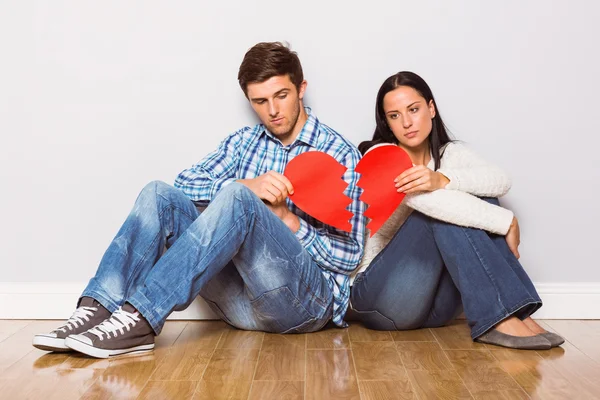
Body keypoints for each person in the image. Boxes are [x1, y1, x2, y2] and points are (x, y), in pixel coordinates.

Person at [33, 42, 366, 358]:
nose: (273, 110)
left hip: (302, 306)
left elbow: (350, 257)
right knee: (159, 193)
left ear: (301, 88)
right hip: (238, 304)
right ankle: (96, 310)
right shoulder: (244, 143)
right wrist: (247, 183)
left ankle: (141, 319)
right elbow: (185, 182)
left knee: (237, 198)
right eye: (260, 101)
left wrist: (287, 220)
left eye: (281, 95)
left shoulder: (339, 154)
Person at [349, 71, 564, 350]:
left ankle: (513, 312)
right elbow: (432, 206)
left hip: (433, 307)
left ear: (431, 108)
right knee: (443, 212)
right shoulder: (381, 156)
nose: (406, 122)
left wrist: (445, 179)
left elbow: (500, 180)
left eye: (413, 110)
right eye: (394, 115)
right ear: (387, 123)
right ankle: (502, 317)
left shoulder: (451, 154)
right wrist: (507, 221)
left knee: (479, 199)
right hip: (380, 299)